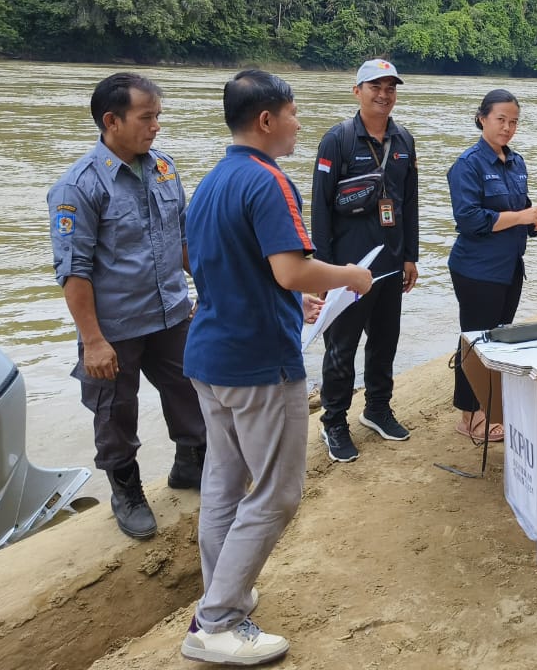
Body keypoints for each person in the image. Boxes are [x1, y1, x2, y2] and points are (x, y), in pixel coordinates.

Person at [181, 70, 372, 664]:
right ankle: (216, 622)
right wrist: (348, 277)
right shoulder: (268, 181)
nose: (297, 124)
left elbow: (215, 263)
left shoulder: (212, 180)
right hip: (258, 364)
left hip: (208, 357)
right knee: (276, 494)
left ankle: (222, 593)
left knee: (222, 486)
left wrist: (295, 298)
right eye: (292, 113)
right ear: (265, 120)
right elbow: (292, 267)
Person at [47, 72, 206, 540]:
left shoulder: (164, 168)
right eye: (146, 117)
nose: (156, 126)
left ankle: (189, 463)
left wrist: (211, 291)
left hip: (171, 312)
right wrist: (93, 341)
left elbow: (183, 241)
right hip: (115, 325)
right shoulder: (78, 186)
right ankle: (126, 489)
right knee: (115, 410)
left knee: (190, 388)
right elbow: (73, 271)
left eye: (158, 116)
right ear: (111, 121)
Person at [312, 58, 419, 461]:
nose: (384, 94)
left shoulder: (404, 140)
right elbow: (320, 209)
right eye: (375, 86)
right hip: (345, 268)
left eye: (390, 87)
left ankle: (377, 408)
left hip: (391, 265)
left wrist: (411, 256)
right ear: (357, 91)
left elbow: (409, 203)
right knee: (341, 348)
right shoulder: (337, 140)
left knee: (384, 341)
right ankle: (334, 422)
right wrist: (320, 270)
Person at [446, 89, 537, 442]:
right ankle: (469, 416)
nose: (507, 127)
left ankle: (489, 408)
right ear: (483, 118)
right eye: (501, 119)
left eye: (513, 121)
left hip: (509, 268)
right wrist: (521, 216)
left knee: (497, 339)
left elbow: (527, 214)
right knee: (474, 341)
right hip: (476, 270)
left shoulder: (515, 163)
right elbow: (470, 219)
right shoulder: (468, 164)